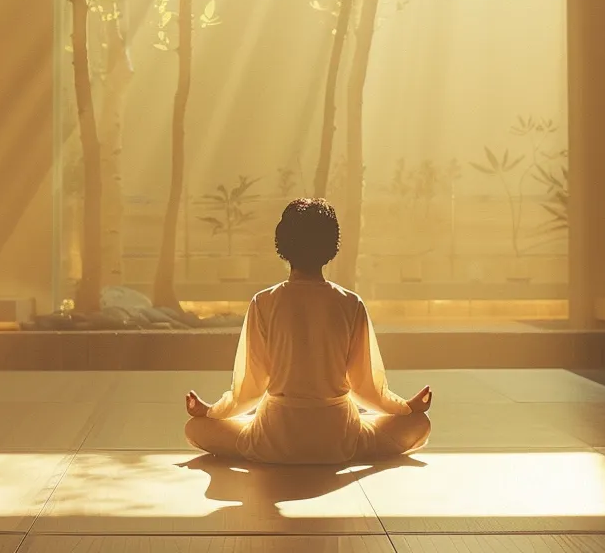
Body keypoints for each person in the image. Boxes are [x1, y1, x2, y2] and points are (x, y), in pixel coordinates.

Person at [183, 198, 434, 465]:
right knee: (418, 424)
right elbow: (366, 389)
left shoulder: (263, 302)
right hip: (338, 439)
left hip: (275, 438)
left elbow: (250, 389)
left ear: (283, 243)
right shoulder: (350, 303)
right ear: (331, 246)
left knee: (196, 428)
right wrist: (406, 408)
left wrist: (211, 412)